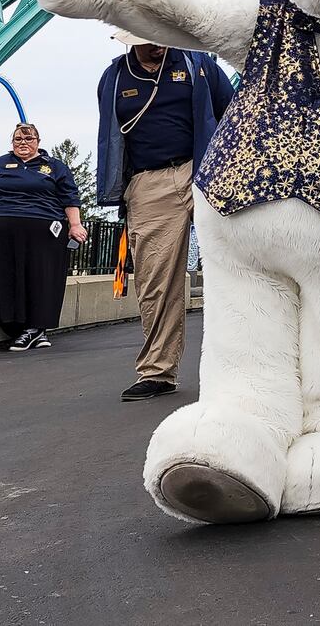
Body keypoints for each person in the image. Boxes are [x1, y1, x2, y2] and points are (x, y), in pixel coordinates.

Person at [97, 29, 233, 401]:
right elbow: (111, 137)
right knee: (155, 281)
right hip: (149, 182)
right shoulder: (114, 77)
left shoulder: (197, 63)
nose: (156, 43)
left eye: (159, 34)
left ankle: (256, 366)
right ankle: (158, 372)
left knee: (244, 269)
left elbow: (236, 112)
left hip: (204, 169)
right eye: (145, 37)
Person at [0, 123, 86, 351]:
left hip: (43, 229)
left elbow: (70, 196)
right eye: (18, 139)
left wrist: (75, 225)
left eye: (28, 139)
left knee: (39, 278)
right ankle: (21, 327)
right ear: (12, 142)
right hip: (0, 226)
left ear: (38, 142)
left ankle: (32, 328)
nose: (23, 143)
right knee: (5, 276)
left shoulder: (55, 167)